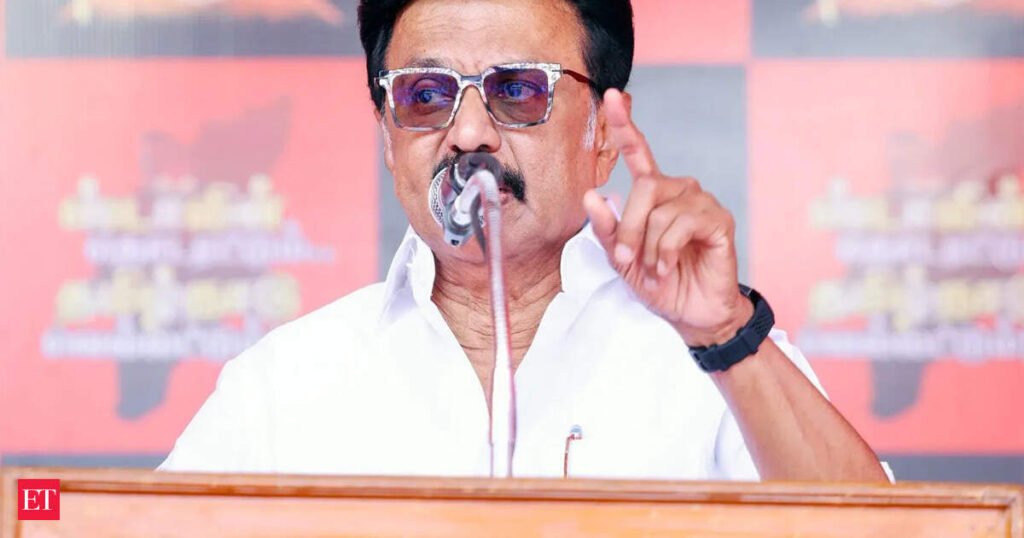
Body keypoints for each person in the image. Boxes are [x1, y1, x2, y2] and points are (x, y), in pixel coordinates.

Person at [159, 0, 890, 482]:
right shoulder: (285, 380)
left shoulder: (718, 361)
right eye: (425, 95)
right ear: (387, 137)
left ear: (602, 134)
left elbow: (879, 530)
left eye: (516, 90)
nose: (469, 132)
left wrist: (727, 334)